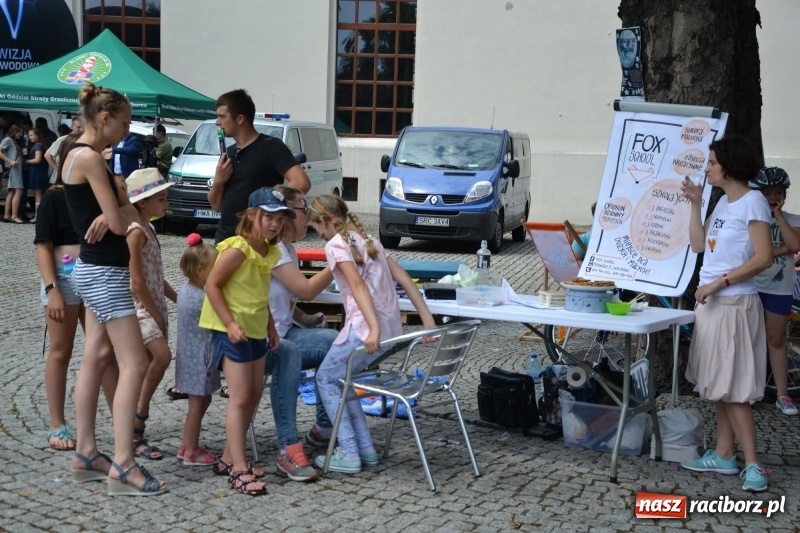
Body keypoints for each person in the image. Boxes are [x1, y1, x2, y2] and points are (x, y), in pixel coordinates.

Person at [63, 82, 166, 496]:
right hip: (104, 271)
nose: (127, 130)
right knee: (134, 364)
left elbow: (117, 212)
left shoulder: (80, 154)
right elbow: (124, 222)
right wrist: (121, 206)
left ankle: (86, 451)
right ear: (104, 119)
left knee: (96, 356)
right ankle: (123, 461)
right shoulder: (89, 157)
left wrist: (117, 206)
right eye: (123, 123)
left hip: (92, 267)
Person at [308, 194, 436, 474]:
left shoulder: (335, 245)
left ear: (326, 221)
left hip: (365, 330)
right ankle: (364, 448)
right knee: (342, 379)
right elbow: (405, 279)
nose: (316, 233)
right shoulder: (370, 242)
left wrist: (373, 328)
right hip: (389, 331)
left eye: (316, 226)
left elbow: (357, 287)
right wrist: (427, 320)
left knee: (325, 378)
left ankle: (350, 452)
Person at [680, 135, 773, 492]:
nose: (707, 168)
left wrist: (720, 282)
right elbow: (699, 245)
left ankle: (753, 465)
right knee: (720, 385)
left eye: (712, 162)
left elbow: (763, 257)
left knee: (734, 389)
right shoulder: (721, 202)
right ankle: (723, 455)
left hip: (734, 304)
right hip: (713, 305)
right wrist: (695, 204)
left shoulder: (753, 203)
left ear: (729, 166)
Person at [199, 186, 292, 496]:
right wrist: (229, 323)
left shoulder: (269, 251)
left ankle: (228, 457)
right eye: (268, 217)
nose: (274, 224)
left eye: (280, 219)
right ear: (252, 215)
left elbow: (260, 293)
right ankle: (239, 469)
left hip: (254, 329)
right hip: (231, 330)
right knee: (240, 396)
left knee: (252, 395)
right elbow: (212, 286)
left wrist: (271, 328)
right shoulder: (237, 248)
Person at [34, 132, 118, 451]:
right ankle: (58, 423)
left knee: (105, 352)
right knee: (61, 350)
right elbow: (43, 247)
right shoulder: (55, 198)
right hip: (64, 279)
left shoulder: (98, 196)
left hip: (97, 275)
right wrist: (52, 288)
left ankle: (120, 421)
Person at [266, 184, 338, 482]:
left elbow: (283, 301)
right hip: (263, 343)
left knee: (337, 341)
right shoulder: (276, 252)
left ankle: (324, 428)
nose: (307, 217)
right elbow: (305, 289)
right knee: (292, 353)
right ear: (283, 216)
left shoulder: (288, 249)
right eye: (302, 210)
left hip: (281, 334)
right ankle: (289, 444)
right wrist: (339, 259)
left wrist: (305, 319)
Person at [207, 88, 310, 244]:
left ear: (240, 118)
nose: (217, 122)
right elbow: (216, 206)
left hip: (256, 243)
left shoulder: (271, 147)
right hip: (225, 240)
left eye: (222, 116)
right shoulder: (229, 153)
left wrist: (269, 208)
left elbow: (302, 183)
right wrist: (218, 181)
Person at [125, 168, 178, 461]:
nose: (165, 202)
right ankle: (138, 416)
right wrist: (155, 312)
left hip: (154, 303)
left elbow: (157, 275)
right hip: (139, 308)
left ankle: (134, 433)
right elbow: (136, 281)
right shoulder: (135, 232)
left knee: (144, 367)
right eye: (161, 198)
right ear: (142, 202)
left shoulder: (148, 227)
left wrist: (177, 298)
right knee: (161, 356)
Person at [749, 167, 800, 415]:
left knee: (776, 340)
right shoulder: (751, 220)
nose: (772, 197)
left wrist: (778, 216)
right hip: (750, 286)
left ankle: (783, 395)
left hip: (778, 288)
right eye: (767, 193)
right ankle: (748, 390)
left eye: (778, 192)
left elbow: (795, 244)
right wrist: (776, 251)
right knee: (748, 340)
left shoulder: (792, 220)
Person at [175, 233, 220, 466]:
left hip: (190, 356)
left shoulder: (186, 290)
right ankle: (191, 451)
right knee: (197, 404)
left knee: (201, 402)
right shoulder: (202, 297)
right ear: (201, 270)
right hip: (200, 358)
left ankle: (186, 444)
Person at [1, 125, 26, 223]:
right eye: (19, 132)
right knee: (19, 191)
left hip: (16, 168)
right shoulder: (8, 140)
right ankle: (14, 216)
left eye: (21, 132)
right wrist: (10, 161)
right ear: (14, 131)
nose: (20, 134)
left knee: (12, 191)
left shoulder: (14, 141)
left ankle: (7, 215)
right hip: (14, 169)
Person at [25, 127, 49, 223]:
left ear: (37, 136)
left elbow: (37, 160)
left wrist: (27, 161)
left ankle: (38, 216)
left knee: (38, 193)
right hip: (37, 171)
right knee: (37, 193)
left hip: (37, 172)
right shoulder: (37, 145)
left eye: (31, 135)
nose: (29, 137)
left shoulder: (38, 146)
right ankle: (38, 215)